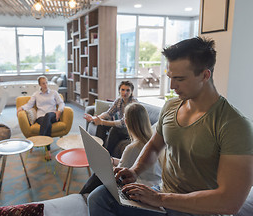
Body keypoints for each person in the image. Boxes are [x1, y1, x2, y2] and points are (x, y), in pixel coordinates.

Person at [88, 37, 253, 216]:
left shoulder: (234, 126)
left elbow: (229, 202)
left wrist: (159, 199)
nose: (172, 86)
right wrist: (135, 171)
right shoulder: (171, 106)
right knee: (99, 198)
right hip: (163, 195)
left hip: (197, 210)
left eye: (180, 79)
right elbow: (153, 146)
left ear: (205, 75)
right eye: (170, 77)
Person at [80, 102, 162, 194]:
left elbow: (118, 174)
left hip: (141, 190)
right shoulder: (152, 143)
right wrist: (112, 160)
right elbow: (131, 163)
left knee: (99, 174)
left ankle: (81, 195)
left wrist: (105, 165)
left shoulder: (132, 148)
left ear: (126, 121)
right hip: (156, 186)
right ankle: (82, 197)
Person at [17, 75, 64, 160]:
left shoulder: (54, 93)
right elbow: (29, 104)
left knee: (48, 115)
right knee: (47, 124)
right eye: (43, 83)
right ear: (39, 85)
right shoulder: (36, 94)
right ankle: (47, 150)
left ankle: (40, 138)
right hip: (41, 117)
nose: (45, 85)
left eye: (46, 83)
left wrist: (59, 111)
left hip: (53, 115)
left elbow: (61, 103)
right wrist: (22, 108)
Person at [84, 81, 137, 155]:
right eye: (122, 90)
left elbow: (122, 123)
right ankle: (98, 149)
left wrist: (102, 122)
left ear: (131, 92)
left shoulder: (133, 104)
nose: (125, 92)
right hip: (122, 127)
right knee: (100, 125)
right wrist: (94, 118)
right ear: (119, 90)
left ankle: (107, 154)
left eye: (128, 90)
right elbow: (108, 114)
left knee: (115, 129)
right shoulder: (119, 100)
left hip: (130, 130)